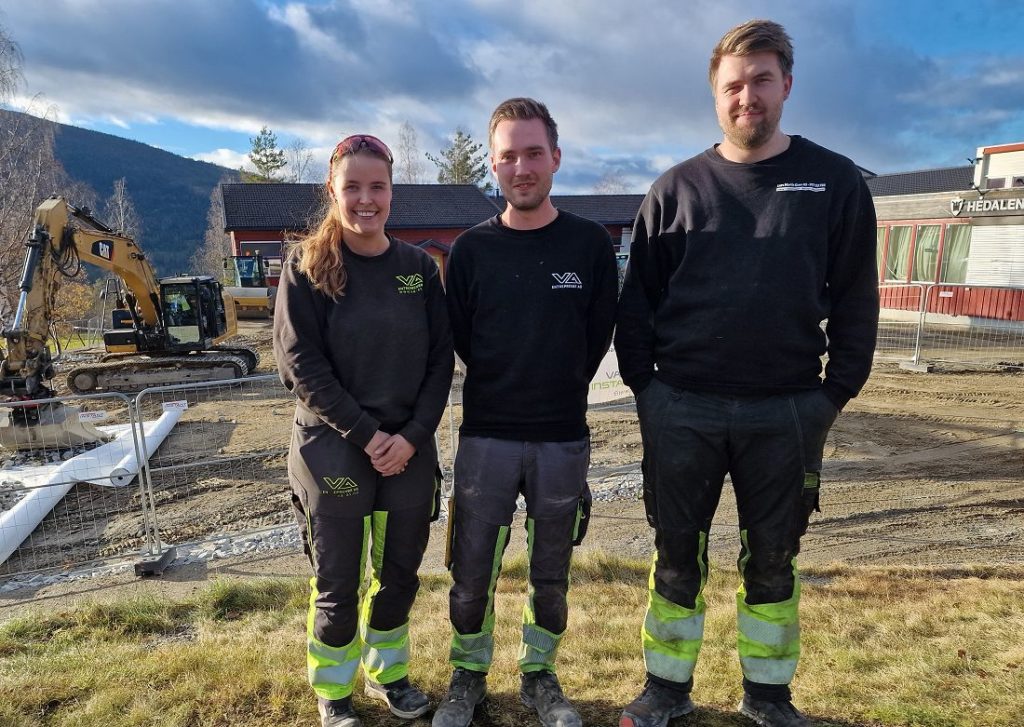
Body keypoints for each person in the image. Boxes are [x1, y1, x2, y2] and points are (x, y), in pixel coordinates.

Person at [615, 19, 879, 727]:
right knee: (676, 555)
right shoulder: (674, 190)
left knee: (773, 560)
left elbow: (856, 300)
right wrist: (648, 391)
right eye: (733, 84)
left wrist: (830, 397)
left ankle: (767, 695)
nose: (747, 96)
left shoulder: (834, 182)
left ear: (786, 85)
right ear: (715, 95)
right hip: (683, 408)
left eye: (762, 80)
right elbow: (635, 306)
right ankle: (666, 688)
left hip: (788, 410)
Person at [433, 98, 619, 727]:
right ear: (493, 163)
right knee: (471, 568)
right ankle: (469, 675)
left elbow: (596, 338)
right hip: (486, 436)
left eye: (533, 152)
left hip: (562, 439)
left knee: (551, 572)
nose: (521, 166)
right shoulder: (472, 250)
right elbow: (459, 337)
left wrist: (556, 382)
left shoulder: (589, 245)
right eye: (508, 154)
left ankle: (540, 676)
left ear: (556, 159)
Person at [273, 134, 454, 727]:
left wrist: (413, 435)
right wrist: (368, 435)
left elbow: (438, 360)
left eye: (377, 187)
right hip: (337, 454)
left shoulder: (414, 271)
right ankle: (334, 689)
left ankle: (389, 674)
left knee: (401, 571)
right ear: (333, 190)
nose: (366, 199)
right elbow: (303, 366)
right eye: (353, 187)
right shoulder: (307, 269)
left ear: (391, 191)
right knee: (339, 578)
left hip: (409, 452)